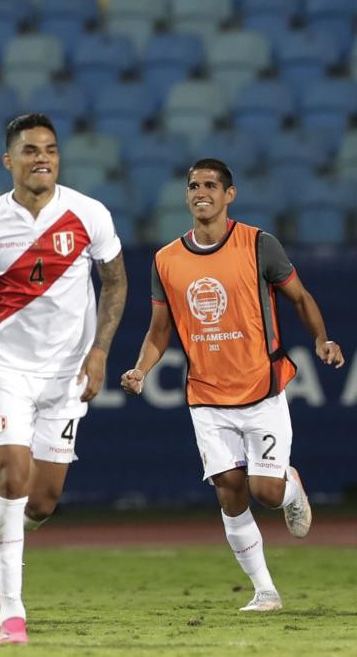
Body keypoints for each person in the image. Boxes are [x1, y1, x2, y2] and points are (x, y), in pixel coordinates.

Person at [0, 113, 128, 645]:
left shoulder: (88, 214)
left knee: (41, 503)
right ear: (9, 160)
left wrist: (100, 351)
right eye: (30, 150)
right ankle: (12, 616)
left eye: (50, 149)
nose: (42, 157)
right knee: (11, 477)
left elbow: (115, 281)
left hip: (66, 378)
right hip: (7, 372)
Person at [120, 158, 344, 612]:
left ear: (229, 195)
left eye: (210, 185)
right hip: (206, 395)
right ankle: (265, 591)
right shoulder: (166, 259)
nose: (200, 192)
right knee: (228, 487)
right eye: (193, 186)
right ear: (186, 196)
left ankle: (291, 487)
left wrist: (322, 338)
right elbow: (159, 329)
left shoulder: (260, 244)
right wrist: (142, 368)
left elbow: (299, 297)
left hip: (261, 389)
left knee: (267, 493)